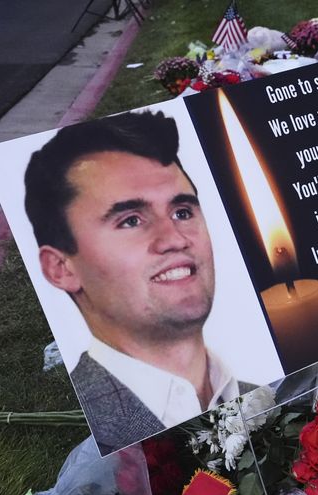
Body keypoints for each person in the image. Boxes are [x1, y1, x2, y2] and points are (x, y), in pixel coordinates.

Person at [25, 110, 250, 456]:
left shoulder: (263, 390)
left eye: (182, 212)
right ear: (61, 268)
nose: (174, 239)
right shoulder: (106, 440)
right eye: (130, 220)